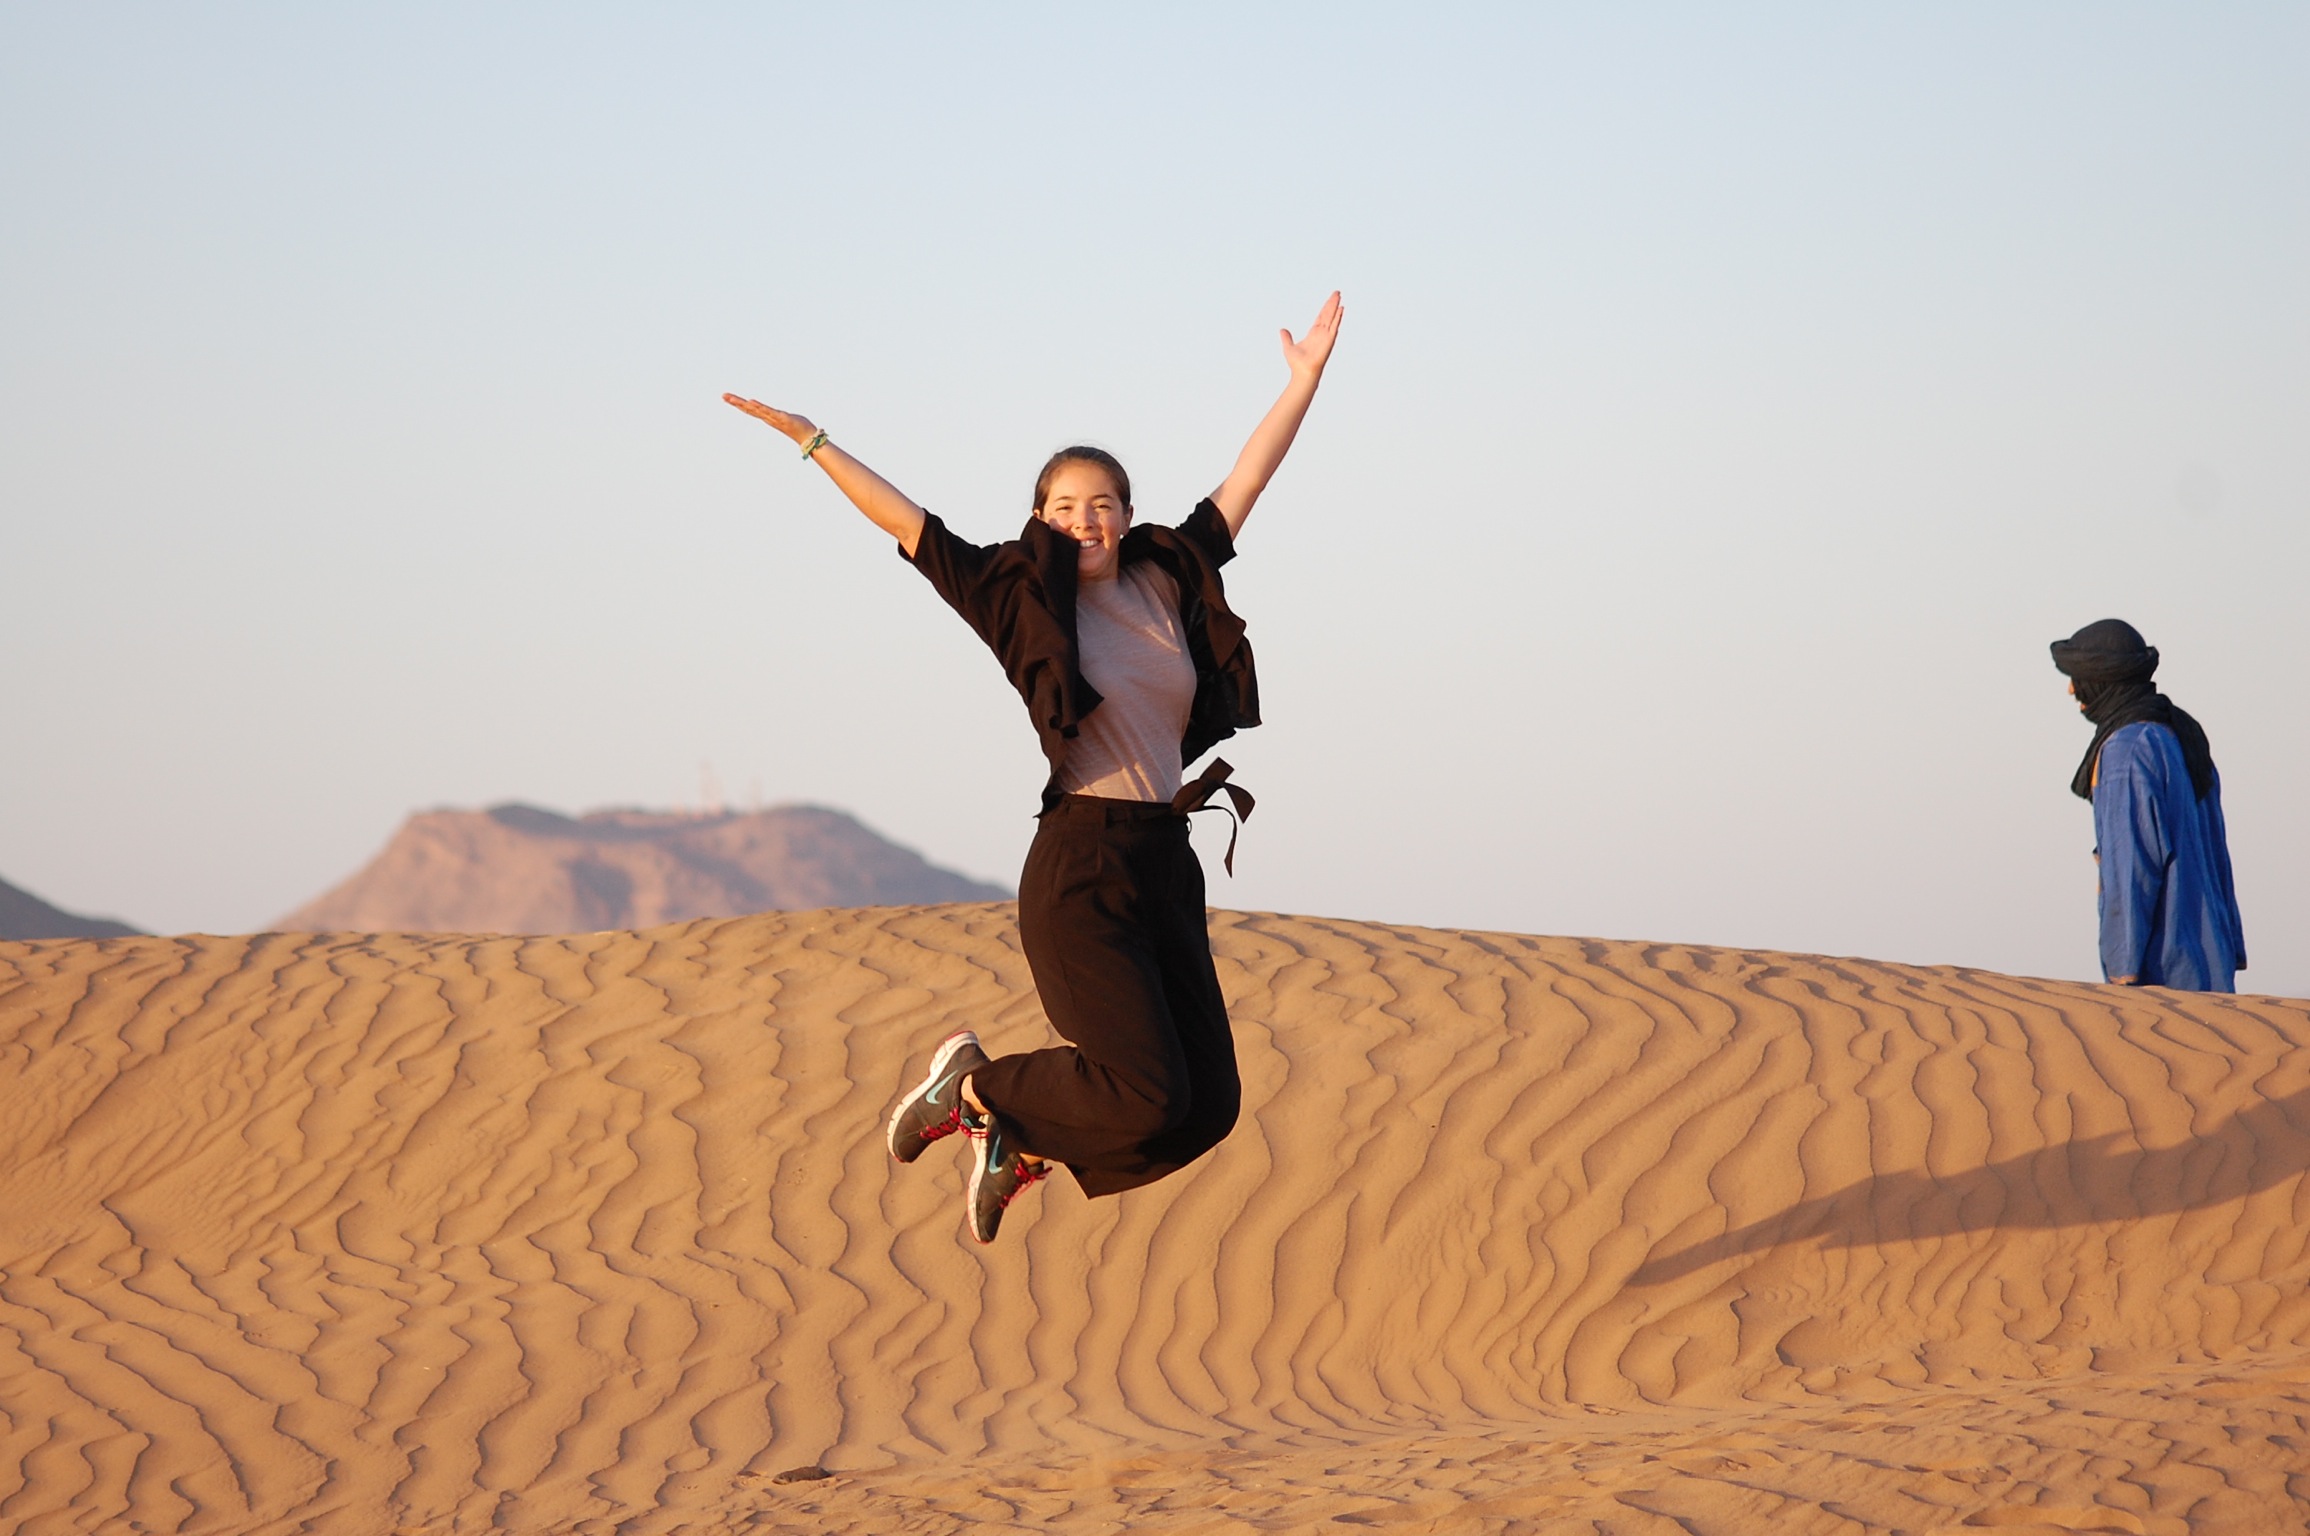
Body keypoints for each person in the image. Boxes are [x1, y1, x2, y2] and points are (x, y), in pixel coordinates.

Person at [725, 292, 1344, 1241]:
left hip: (1162, 864)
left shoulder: (1170, 572)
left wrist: (1301, 381)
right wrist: (815, 442)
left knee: (1205, 1107)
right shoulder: (1018, 599)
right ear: (1041, 518)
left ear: (1127, 514)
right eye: (1065, 506)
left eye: (1102, 504)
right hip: (1081, 868)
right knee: (1141, 1090)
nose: (1086, 519)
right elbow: (912, 526)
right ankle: (970, 1088)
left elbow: (1246, 480)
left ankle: (1019, 1142)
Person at [2049, 618, 2246, 992]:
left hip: (2166, 980)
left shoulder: (2127, 751)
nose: (2073, 690)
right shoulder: (2180, 734)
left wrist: (2123, 970)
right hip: (2211, 964)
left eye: (2079, 678)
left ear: (2102, 680)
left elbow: (2130, 870)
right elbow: (2219, 857)